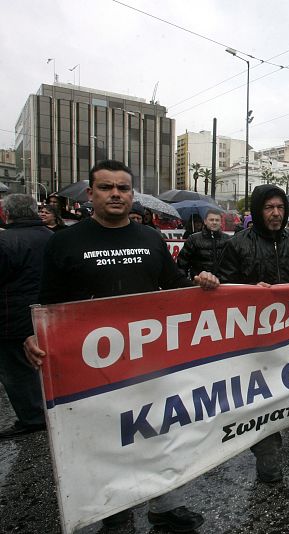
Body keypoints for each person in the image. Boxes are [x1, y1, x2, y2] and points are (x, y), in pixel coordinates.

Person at [23, 160, 218, 531]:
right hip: (94, 368)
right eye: (107, 187)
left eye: (123, 188)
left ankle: (165, 506)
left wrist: (201, 282)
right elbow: (47, 302)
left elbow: (174, 283)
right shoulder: (64, 242)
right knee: (108, 442)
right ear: (91, 194)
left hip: (148, 361)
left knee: (160, 434)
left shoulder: (149, 239)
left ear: (132, 195)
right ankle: (116, 513)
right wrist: (32, 335)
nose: (116, 194)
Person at [216, 184, 289, 483]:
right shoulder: (238, 244)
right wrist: (251, 294)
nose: (276, 213)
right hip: (251, 339)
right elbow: (223, 292)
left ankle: (274, 437)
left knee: (282, 391)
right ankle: (266, 450)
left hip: (288, 333)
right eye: (269, 208)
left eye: (280, 207)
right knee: (259, 396)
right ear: (258, 210)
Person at [0, 195, 52, 439]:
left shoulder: (5, 241)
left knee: (17, 371)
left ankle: (32, 417)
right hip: (48, 315)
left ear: (7, 214)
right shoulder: (53, 238)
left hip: (12, 318)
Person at [176, 208, 231, 279]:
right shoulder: (193, 239)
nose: (214, 222)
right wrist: (184, 282)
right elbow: (182, 263)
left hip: (223, 283)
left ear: (221, 222)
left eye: (217, 220)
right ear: (205, 221)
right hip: (199, 283)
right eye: (211, 220)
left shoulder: (228, 239)